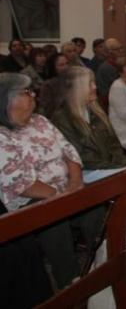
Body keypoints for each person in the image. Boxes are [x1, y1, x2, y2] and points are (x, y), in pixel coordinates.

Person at [0, 73, 102, 289]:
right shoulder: (2, 135)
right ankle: (70, 281)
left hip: (65, 188)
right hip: (29, 197)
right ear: (6, 99)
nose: (33, 95)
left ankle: (103, 261)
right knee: (52, 218)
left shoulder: (41, 121)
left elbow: (69, 152)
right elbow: (21, 182)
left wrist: (75, 183)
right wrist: (59, 196)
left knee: (97, 203)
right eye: (26, 92)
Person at [48, 66, 126, 229]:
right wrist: (119, 167)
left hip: (110, 165)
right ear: (76, 89)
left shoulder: (95, 111)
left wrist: (121, 162)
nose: (95, 87)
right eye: (90, 84)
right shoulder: (62, 119)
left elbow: (114, 144)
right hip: (87, 171)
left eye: (94, 82)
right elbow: (78, 156)